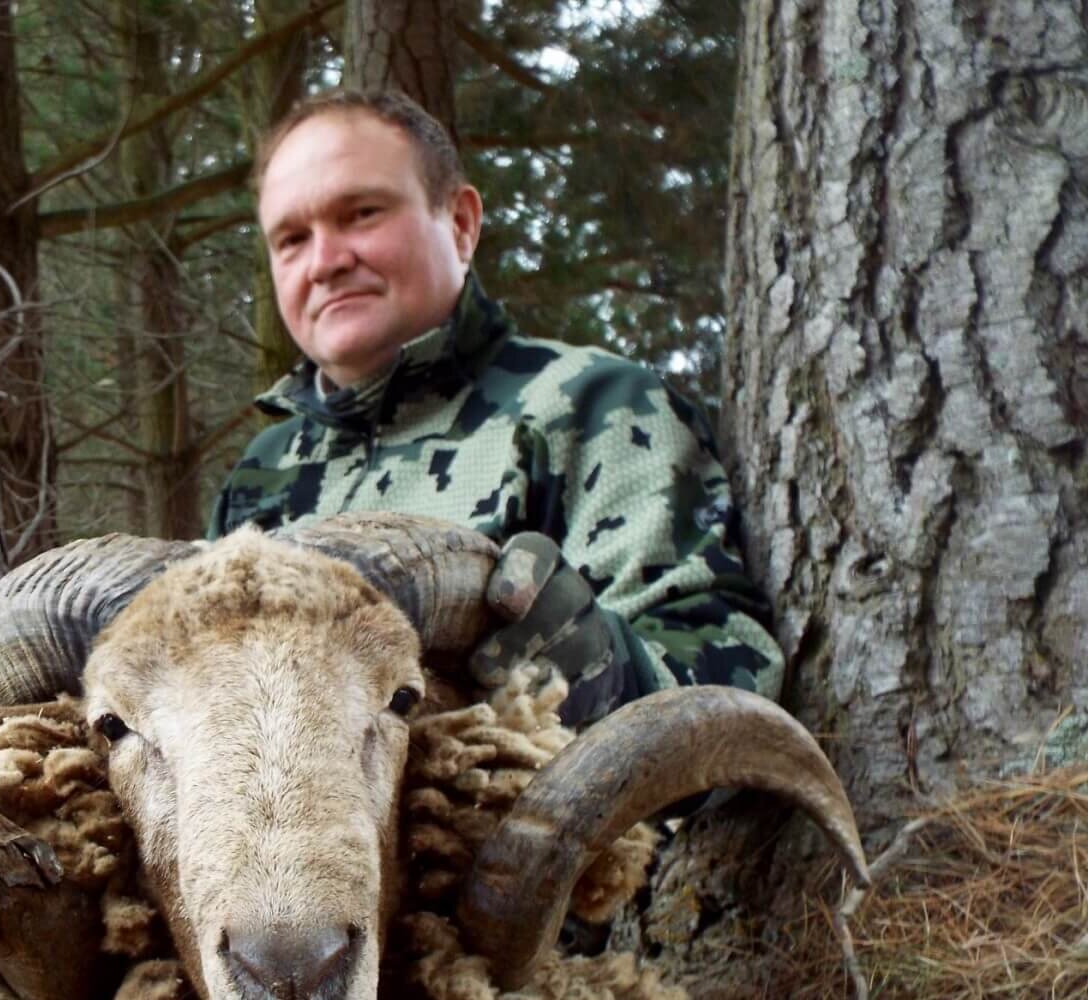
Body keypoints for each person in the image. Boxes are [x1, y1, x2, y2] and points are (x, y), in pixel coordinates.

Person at [208, 90, 783, 726]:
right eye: (291, 239)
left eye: (362, 213)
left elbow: (734, 682)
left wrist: (599, 671)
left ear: (460, 224)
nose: (325, 261)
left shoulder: (591, 406)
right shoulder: (260, 476)